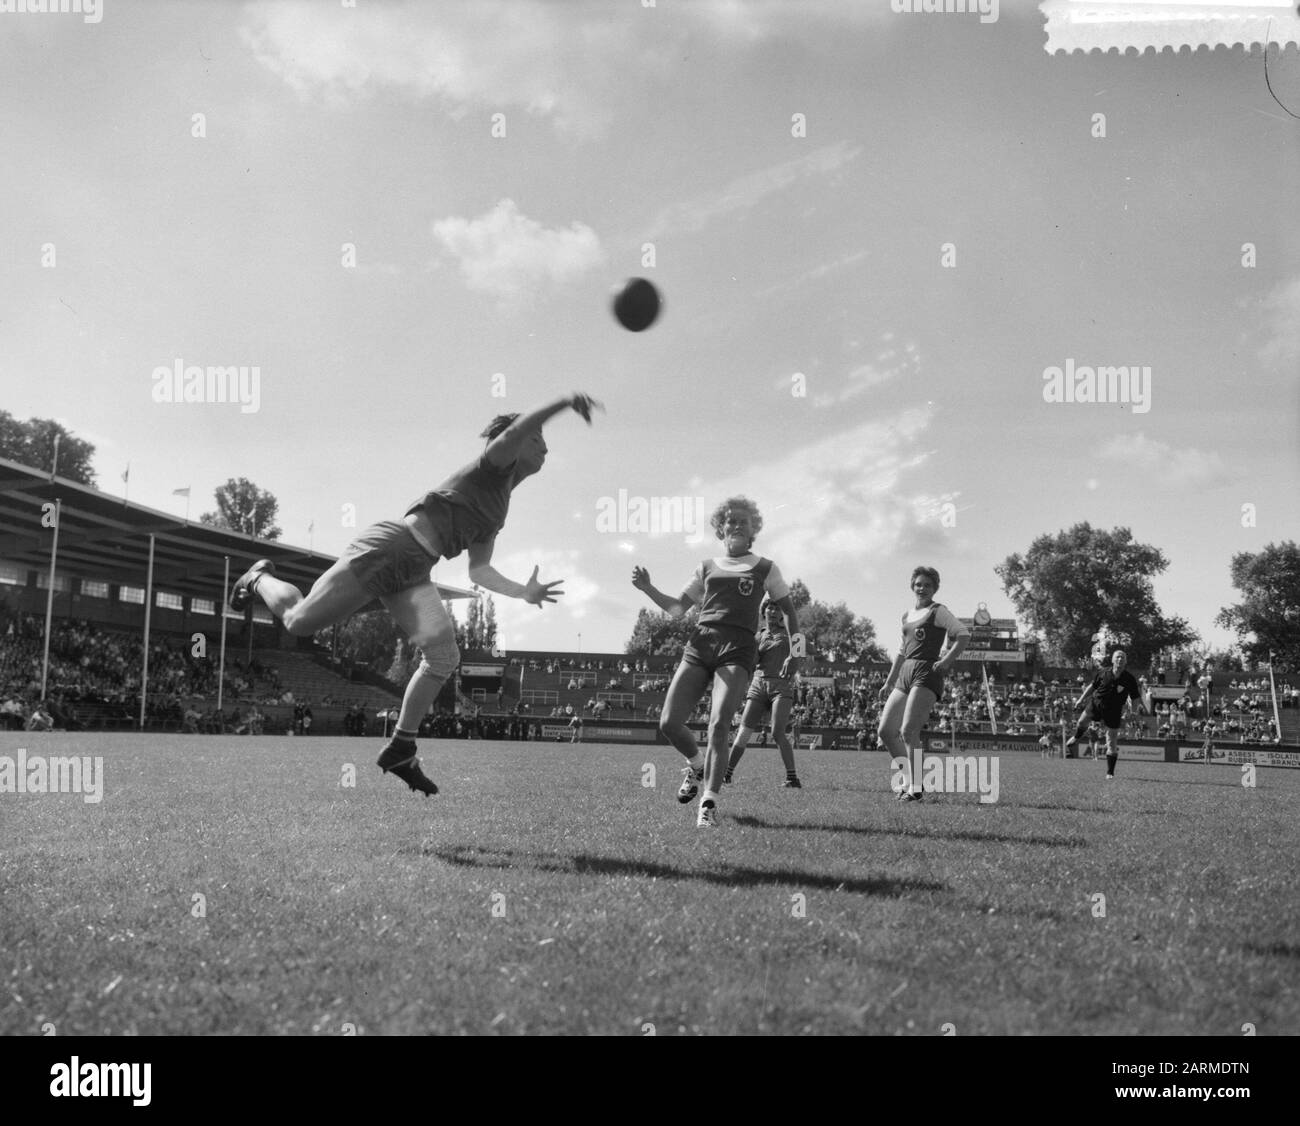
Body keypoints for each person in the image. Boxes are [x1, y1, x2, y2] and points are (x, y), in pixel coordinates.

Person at [228, 392, 601, 795]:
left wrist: (521, 592)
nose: (544, 446)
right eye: (537, 438)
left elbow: (479, 570)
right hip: (391, 547)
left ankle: (401, 747)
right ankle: (257, 577)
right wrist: (565, 402)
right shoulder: (493, 465)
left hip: (414, 572)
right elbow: (516, 428)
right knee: (300, 622)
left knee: (444, 656)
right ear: (514, 440)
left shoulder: (500, 506)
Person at [632, 496, 800, 828]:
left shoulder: (766, 567)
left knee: (719, 725)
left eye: (744, 521)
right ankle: (696, 765)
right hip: (700, 643)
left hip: (737, 648)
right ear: (720, 529)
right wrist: (648, 588)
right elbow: (678, 609)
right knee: (668, 723)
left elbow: (790, 613)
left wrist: (798, 654)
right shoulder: (706, 566)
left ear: (754, 530)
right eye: (731, 520)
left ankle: (708, 801)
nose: (736, 525)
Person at [877, 567, 971, 802]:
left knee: (908, 731)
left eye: (928, 585)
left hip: (927, 672)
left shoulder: (938, 611)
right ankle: (908, 779)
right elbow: (901, 651)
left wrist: (947, 659)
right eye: (918, 584)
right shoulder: (906, 615)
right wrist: (889, 681)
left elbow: (963, 634)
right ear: (912, 585)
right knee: (886, 731)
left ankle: (916, 789)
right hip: (906, 672)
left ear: (935, 588)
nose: (922, 588)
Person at [725, 597, 802, 788]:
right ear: (764, 612)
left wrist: (794, 658)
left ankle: (792, 778)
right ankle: (726, 774)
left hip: (781, 687)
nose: (774, 612)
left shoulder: (792, 634)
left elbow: (803, 653)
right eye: (770, 608)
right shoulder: (757, 636)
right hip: (758, 685)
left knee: (777, 732)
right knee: (743, 732)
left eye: (777, 609)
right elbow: (750, 664)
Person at [1065, 649, 1148, 780]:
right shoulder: (1103, 672)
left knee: (1112, 741)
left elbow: (1135, 697)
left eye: (1122, 657)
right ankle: (1076, 737)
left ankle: (1110, 773)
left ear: (1125, 661)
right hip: (1096, 704)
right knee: (1081, 722)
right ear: (1113, 660)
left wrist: (1133, 712)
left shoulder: (1129, 679)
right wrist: (1081, 700)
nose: (1120, 659)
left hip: (1114, 711)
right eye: (1117, 657)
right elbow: (1092, 687)